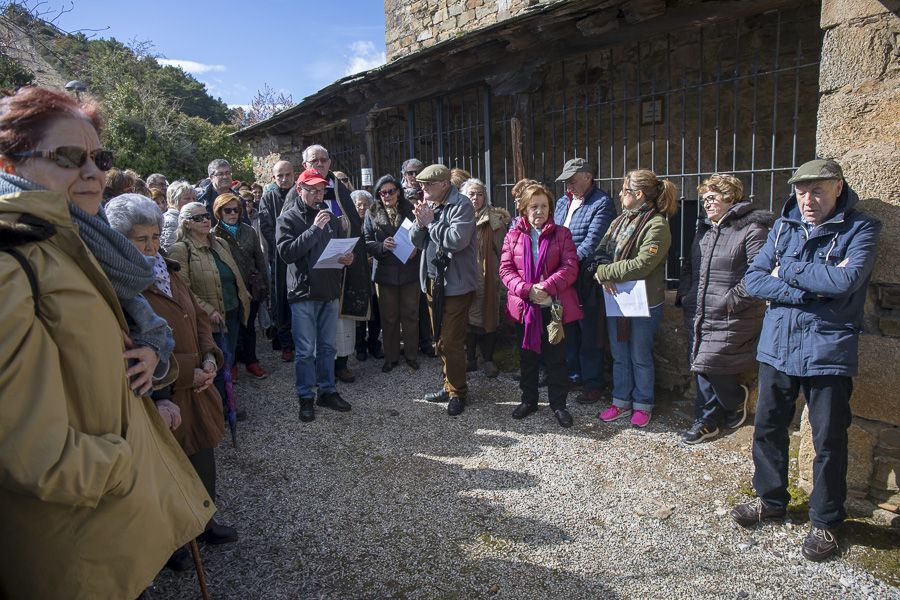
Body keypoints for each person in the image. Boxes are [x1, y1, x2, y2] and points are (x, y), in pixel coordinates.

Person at [0, 86, 213, 599]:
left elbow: (91, 363)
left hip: (105, 524)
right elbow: (29, 451)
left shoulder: (78, 246)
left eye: (100, 157)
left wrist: (152, 359)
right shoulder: (13, 263)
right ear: (8, 162)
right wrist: (127, 463)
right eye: (70, 157)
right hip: (76, 540)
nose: (94, 172)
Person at [731, 159, 881, 562]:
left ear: (837, 187)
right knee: (767, 427)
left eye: (817, 191)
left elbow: (847, 281)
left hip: (828, 349)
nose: (808, 200)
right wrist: (809, 290)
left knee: (829, 439)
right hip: (777, 344)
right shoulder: (783, 226)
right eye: (801, 191)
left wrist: (789, 270)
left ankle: (827, 521)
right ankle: (771, 499)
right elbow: (755, 279)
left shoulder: (861, 228)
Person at [105, 194, 238, 563]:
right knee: (169, 470)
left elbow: (195, 314)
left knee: (202, 459)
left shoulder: (166, 267)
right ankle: (176, 542)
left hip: (198, 388)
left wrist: (211, 356)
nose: (149, 247)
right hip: (164, 394)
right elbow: (133, 346)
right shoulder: (120, 285)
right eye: (140, 240)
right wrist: (186, 371)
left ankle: (205, 523)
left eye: (152, 237)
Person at [679, 174, 772, 444]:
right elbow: (691, 267)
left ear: (730, 197)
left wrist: (730, 300)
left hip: (733, 312)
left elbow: (759, 273)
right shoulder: (706, 230)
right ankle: (712, 415)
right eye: (704, 199)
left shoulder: (753, 229)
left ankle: (719, 411)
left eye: (712, 198)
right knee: (701, 364)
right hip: (700, 311)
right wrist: (686, 294)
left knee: (710, 362)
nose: (706, 203)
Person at [595, 169, 677, 428]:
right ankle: (620, 401)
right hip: (617, 299)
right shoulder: (619, 221)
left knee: (639, 354)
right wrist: (601, 267)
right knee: (620, 354)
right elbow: (601, 249)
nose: (620, 194)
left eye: (624, 190)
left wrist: (605, 272)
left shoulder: (657, 225)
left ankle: (643, 403)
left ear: (638, 194)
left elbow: (643, 264)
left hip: (644, 304)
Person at [499, 182, 581, 427]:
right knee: (527, 358)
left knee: (556, 359)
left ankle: (559, 405)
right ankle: (529, 401)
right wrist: (527, 289)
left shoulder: (561, 234)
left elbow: (570, 267)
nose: (539, 211)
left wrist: (547, 287)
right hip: (526, 308)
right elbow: (505, 270)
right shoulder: (513, 236)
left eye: (544, 206)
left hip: (552, 308)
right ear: (524, 209)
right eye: (533, 206)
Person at [277, 169, 355, 422]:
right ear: (299, 190)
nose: (317, 195)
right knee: (304, 351)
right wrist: (313, 229)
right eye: (311, 190)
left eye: (321, 190)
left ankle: (327, 391)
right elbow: (287, 254)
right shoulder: (287, 219)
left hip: (329, 291)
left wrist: (345, 258)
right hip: (303, 293)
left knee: (328, 347)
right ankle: (305, 396)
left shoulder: (331, 217)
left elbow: (333, 251)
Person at [167, 201, 251, 416]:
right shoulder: (180, 249)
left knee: (227, 361)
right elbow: (181, 288)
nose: (206, 220)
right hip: (208, 320)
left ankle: (224, 405)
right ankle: (215, 411)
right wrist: (207, 309)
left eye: (206, 216)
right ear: (186, 224)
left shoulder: (220, 243)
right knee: (215, 365)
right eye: (198, 218)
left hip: (230, 312)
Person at [298, 144, 370, 384]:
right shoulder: (296, 194)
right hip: (312, 271)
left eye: (324, 159)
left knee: (341, 322)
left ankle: (340, 365)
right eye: (314, 160)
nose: (319, 164)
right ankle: (320, 369)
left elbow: (353, 224)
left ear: (330, 162)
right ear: (305, 165)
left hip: (340, 269)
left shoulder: (340, 190)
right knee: (315, 323)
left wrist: (348, 249)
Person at [411, 164, 477, 416]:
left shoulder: (462, 205)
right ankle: (448, 385)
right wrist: (419, 224)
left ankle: (458, 392)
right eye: (422, 186)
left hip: (457, 286)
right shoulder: (431, 205)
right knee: (439, 338)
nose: (423, 190)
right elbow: (416, 242)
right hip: (432, 280)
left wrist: (429, 224)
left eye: (428, 185)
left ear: (444, 185)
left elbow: (456, 241)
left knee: (450, 340)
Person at [553, 158, 617, 404]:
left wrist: (566, 266)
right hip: (562, 275)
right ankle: (574, 374)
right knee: (568, 328)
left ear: (588, 177)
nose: (568, 185)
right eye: (566, 180)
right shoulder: (561, 202)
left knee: (589, 331)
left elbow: (593, 242)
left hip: (584, 277)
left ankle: (593, 382)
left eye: (572, 179)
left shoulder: (602, 203)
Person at [365, 175, 419, 372]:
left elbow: (423, 235)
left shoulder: (411, 210)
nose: (387, 195)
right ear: (378, 194)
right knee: (389, 317)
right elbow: (367, 241)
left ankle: (412, 355)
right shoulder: (371, 213)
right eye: (383, 192)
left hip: (408, 270)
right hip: (385, 272)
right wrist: (382, 246)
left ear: (398, 191)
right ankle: (391, 356)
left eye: (391, 191)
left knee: (411, 315)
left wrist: (416, 249)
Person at [212, 193, 269, 380]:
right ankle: (233, 363)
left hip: (250, 286)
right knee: (232, 328)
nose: (233, 213)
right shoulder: (213, 235)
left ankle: (252, 361)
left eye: (236, 209)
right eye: (227, 210)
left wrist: (266, 284)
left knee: (249, 327)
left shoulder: (248, 230)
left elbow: (259, 259)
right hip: (229, 290)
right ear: (219, 212)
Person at [461, 177, 509, 378]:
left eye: (480, 194)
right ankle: (470, 358)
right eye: (471, 193)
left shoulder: (495, 220)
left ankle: (488, 359)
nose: (476, 197)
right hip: (464, 277)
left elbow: (504, 251)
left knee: (489, 318)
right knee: (466, 320)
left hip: (488, 279)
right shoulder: (459, 217)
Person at [259, 159, 296, 361]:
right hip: (280, 256)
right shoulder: (268, 198)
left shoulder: (301, 193)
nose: (284, 179)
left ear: (294, 175)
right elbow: (266, 227)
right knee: (281, 298)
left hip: (300, 254)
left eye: (287, 174)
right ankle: (286, 343)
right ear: (273, 178)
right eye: (279, 176)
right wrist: (284, 245)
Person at [401, 157, 436, 358]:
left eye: (418, 172)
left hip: (426, 251)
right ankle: (411, 343)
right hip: (406, 253)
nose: (414, 177)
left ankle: (428, 341)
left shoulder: (431, 193)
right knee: (410, 303)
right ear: (404, 175)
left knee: (426, 301)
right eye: (410, 173)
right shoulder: (397, 194)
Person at [352, 189, 384, 362]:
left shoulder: (375, 220)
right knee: (359, 313)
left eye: (366, 204)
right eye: (359, 205)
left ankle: (374, 343)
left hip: (374, 273)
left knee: (376, 313)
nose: (363, 208)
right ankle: (360, 347)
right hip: (356, 274)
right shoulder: (348, 224)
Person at [197, 158, 235, 226]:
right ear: (211, 178)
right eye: (220, 174)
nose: (225, 177)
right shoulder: (201, 200)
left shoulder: (239, 199)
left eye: (228, 173)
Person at [161, 180, 197, 250]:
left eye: (194, 198)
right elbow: (170, 251)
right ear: (173, 200)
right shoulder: (171, 222)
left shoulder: (188, 218)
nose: (192, 202)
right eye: (187, 199)